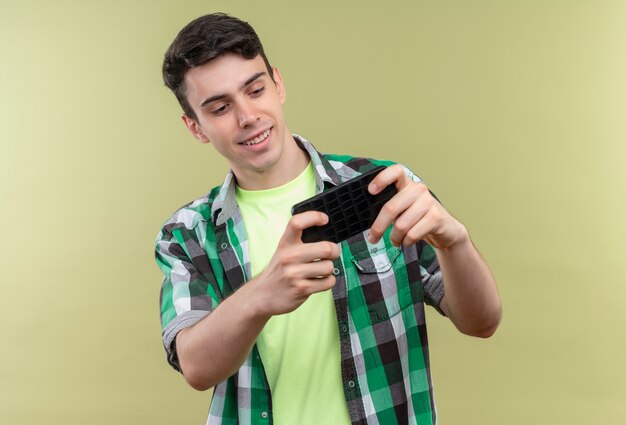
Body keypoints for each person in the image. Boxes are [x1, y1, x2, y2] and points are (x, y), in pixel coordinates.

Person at [155, 12, 501, 425]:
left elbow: (482, 322)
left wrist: (455, 242)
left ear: (278, 84)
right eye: (220, 107)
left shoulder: (383, 188)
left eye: (256, 89)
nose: (247, 116)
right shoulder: (188, 234)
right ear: (195, 127)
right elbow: (195, 367)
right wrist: (261, 295)